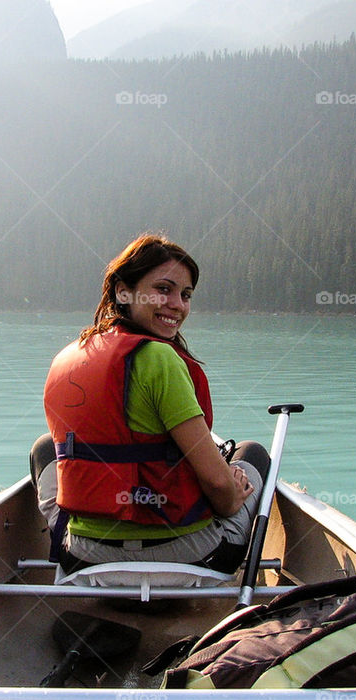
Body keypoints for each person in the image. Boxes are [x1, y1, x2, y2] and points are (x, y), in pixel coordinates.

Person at [32, 233, 270, 574]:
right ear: (123, 291)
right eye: (163, 289)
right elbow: (219, 487)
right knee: (253, 453)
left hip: (84, 558)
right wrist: (235, 493)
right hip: (190, 558)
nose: (177, 304)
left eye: (185, 295)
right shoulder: (160, 359)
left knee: (44, 448)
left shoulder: (67, 357)